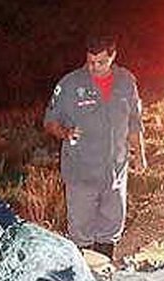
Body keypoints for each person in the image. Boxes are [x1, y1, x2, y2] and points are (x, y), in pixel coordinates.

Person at [44, 34, 147, 259]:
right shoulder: (70, 84)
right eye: (90, 61)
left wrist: (140, 154)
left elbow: (134, 121)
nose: (94, 67)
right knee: (81, 229)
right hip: (81, 170)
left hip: (115, 169)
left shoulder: (126, 81)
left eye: (100, 62)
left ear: (113, 56)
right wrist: (65, 132)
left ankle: (105, 270)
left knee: (110, 227)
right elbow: (50, 121)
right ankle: (82, 278)